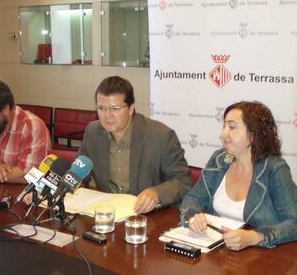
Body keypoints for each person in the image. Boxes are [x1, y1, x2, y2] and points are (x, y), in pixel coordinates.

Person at [180, 101, 297, 250]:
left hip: (260, 259)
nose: (222, 135)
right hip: (217, 253)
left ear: (253, 134)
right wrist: (192, 216)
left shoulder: (274, 168)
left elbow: (294, 223)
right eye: (224, 127)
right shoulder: (221, 160)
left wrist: (255, 236)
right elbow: (193, 198)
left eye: (232, 127)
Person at [79, 76, 193, 214]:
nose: (107, 115)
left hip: (151, 216)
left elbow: (184, 180)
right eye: (101, 108)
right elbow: (79, 170)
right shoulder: (93, 132)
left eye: (115, 108)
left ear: (131, 108)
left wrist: (156, 193)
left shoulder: (161, 136)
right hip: (109, 213)